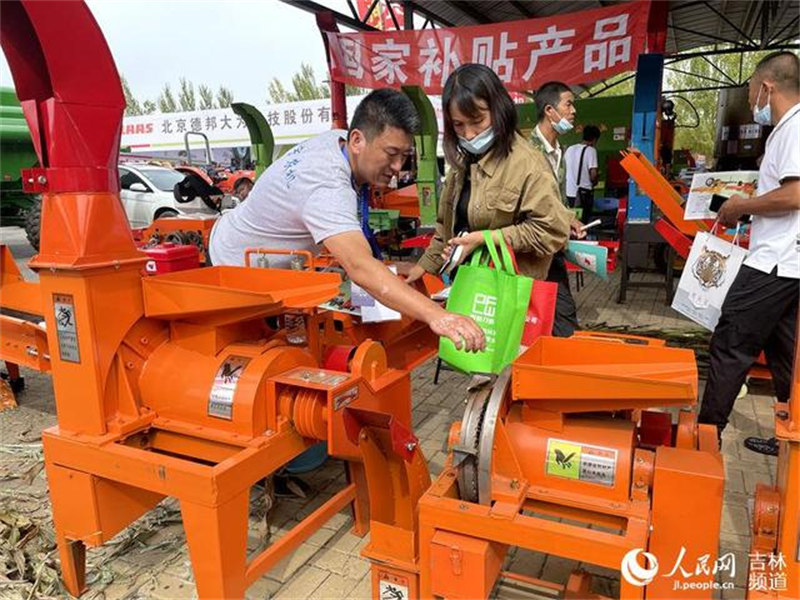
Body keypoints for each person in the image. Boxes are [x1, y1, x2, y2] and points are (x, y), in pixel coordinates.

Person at [209, 88, 486, 354]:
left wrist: (385, 267)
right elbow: (359, 267)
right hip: (232, 275)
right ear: (357, 141)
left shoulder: (340, 142)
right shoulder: (326, 185)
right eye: (391, 154)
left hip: (265, 264)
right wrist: (437, 316)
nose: (398, 167)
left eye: (404, 156)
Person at [699, 51, 800, 456]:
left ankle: (704, 440)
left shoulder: (794, 128)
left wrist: (741, 206)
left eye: (752, 89)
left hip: (774, 262)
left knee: (730, 344)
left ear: (767, 86)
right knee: (786, 356)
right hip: (787, 263)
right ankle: (790, 434)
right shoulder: (786, 129)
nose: (751, 98)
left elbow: (795, 194)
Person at [404, 64, 571, 290]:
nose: (469, 134)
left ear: (498, 109)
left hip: (509, 295)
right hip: (468, 287)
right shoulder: (462, 165)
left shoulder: (527, 163)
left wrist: (486, 238)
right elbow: (445, 228)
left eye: (477, 121)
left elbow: (552, 232)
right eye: (458, 124)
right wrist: (423, 267)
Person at [529, 81, 585, 337]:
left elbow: (554, 200)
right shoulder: (525, 152)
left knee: (562, 319)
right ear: (550, 111)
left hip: (552, 247)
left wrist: (569, 220)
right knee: (552, 322)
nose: (573, 111)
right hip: (529, 251)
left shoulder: (558, 151)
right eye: (569, 103)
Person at [564, 125, 600, 222]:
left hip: (568, 193)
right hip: (582, 195)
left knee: (571, 222)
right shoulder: (591, 150)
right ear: (594, 139)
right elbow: (593, 174)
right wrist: (596, 180)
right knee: (582, 223)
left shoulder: (570, 149)